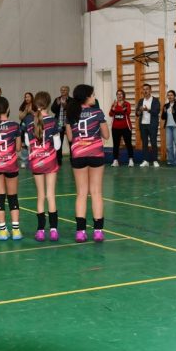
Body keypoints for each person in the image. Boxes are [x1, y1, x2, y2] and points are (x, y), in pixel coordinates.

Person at [66, 84, 109, 243]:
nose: (94, 97)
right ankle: (98, 231)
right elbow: (106, 135)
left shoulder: (72, 113)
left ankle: (80, 232)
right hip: (96, 153)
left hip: (78, 154)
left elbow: (70, 138)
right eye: (93, 94)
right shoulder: (97, 112)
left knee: (81, 193)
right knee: (96, 192)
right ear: (86, 97)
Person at [25, 91, 61, 242]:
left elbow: (27, 144)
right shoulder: (53, 121)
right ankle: (53, 230)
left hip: (36, 161)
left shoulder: (29, 123)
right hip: (50, 160)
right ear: (48, 104)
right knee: (50, 195)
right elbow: (57, 146)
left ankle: (40, 230)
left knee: (40, 195)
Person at [0, 97, 23, 241]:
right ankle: (16, 230)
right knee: (13, 197)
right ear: (7, 109)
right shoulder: (15, 125)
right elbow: (18, 148)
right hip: (11, 164)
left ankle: (2, 231)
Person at [135, 83, 160, 167]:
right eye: (144, 89)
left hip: (152, 125)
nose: (145, 91)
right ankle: (146, 160)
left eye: (147, 89)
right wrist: (139, 111)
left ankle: (155, 160)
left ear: (150, 90)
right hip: (143, 125)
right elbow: (137, 113)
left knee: (153, 143)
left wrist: (147, 109)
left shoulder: (155, 100)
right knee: (144, 143)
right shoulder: (140, 101)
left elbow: (156, 111)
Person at [109, 89, 134, 167]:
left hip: (126, 127)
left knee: (128, 144)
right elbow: (110, 114)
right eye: (118, 94)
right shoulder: (114, 104)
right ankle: (115, 160)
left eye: (121, 94)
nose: (119, 95)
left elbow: (128, 112)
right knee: (116, 144)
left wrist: (124, 108)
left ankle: (131, 160)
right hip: (115, 128)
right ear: (116, 95)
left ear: (123, 95)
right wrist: (113, 108)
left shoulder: (127, 104)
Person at [161, 90, 176, 166]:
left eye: (171, 95)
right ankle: (170, 160)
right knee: (169, 145)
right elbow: (163, 117)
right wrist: (164, 112)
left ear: (174, 96)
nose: (170, 96)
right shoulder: (166, 105)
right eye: (168, 95)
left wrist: (175, 112)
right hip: (168, 126)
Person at [51, 85, 70, 166]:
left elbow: (73, 110)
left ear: (68, 91)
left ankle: (73, 159)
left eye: (64, 90)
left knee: (71, 142)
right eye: (61, 90)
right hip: (59, 124)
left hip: (68, 124)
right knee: (59, 142)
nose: (62, 91)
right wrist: (57, 104)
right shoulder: (57, 99)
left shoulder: (71, 100)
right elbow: (53, 110)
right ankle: (59, 160)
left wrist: (66, 106)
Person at [18, 92, 36, 169]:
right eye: (26, 97)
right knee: (24, 144)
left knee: (34, 144)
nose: (27, 98)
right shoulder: (22, 106)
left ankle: (34, 160)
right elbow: (20, 117)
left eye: (28, 97)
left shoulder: (35, 106)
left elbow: (38, 116)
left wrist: (31, 111)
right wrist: (25, 111)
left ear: (32, 97)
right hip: (24, 127)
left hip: (33, 127)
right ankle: (24, 161)